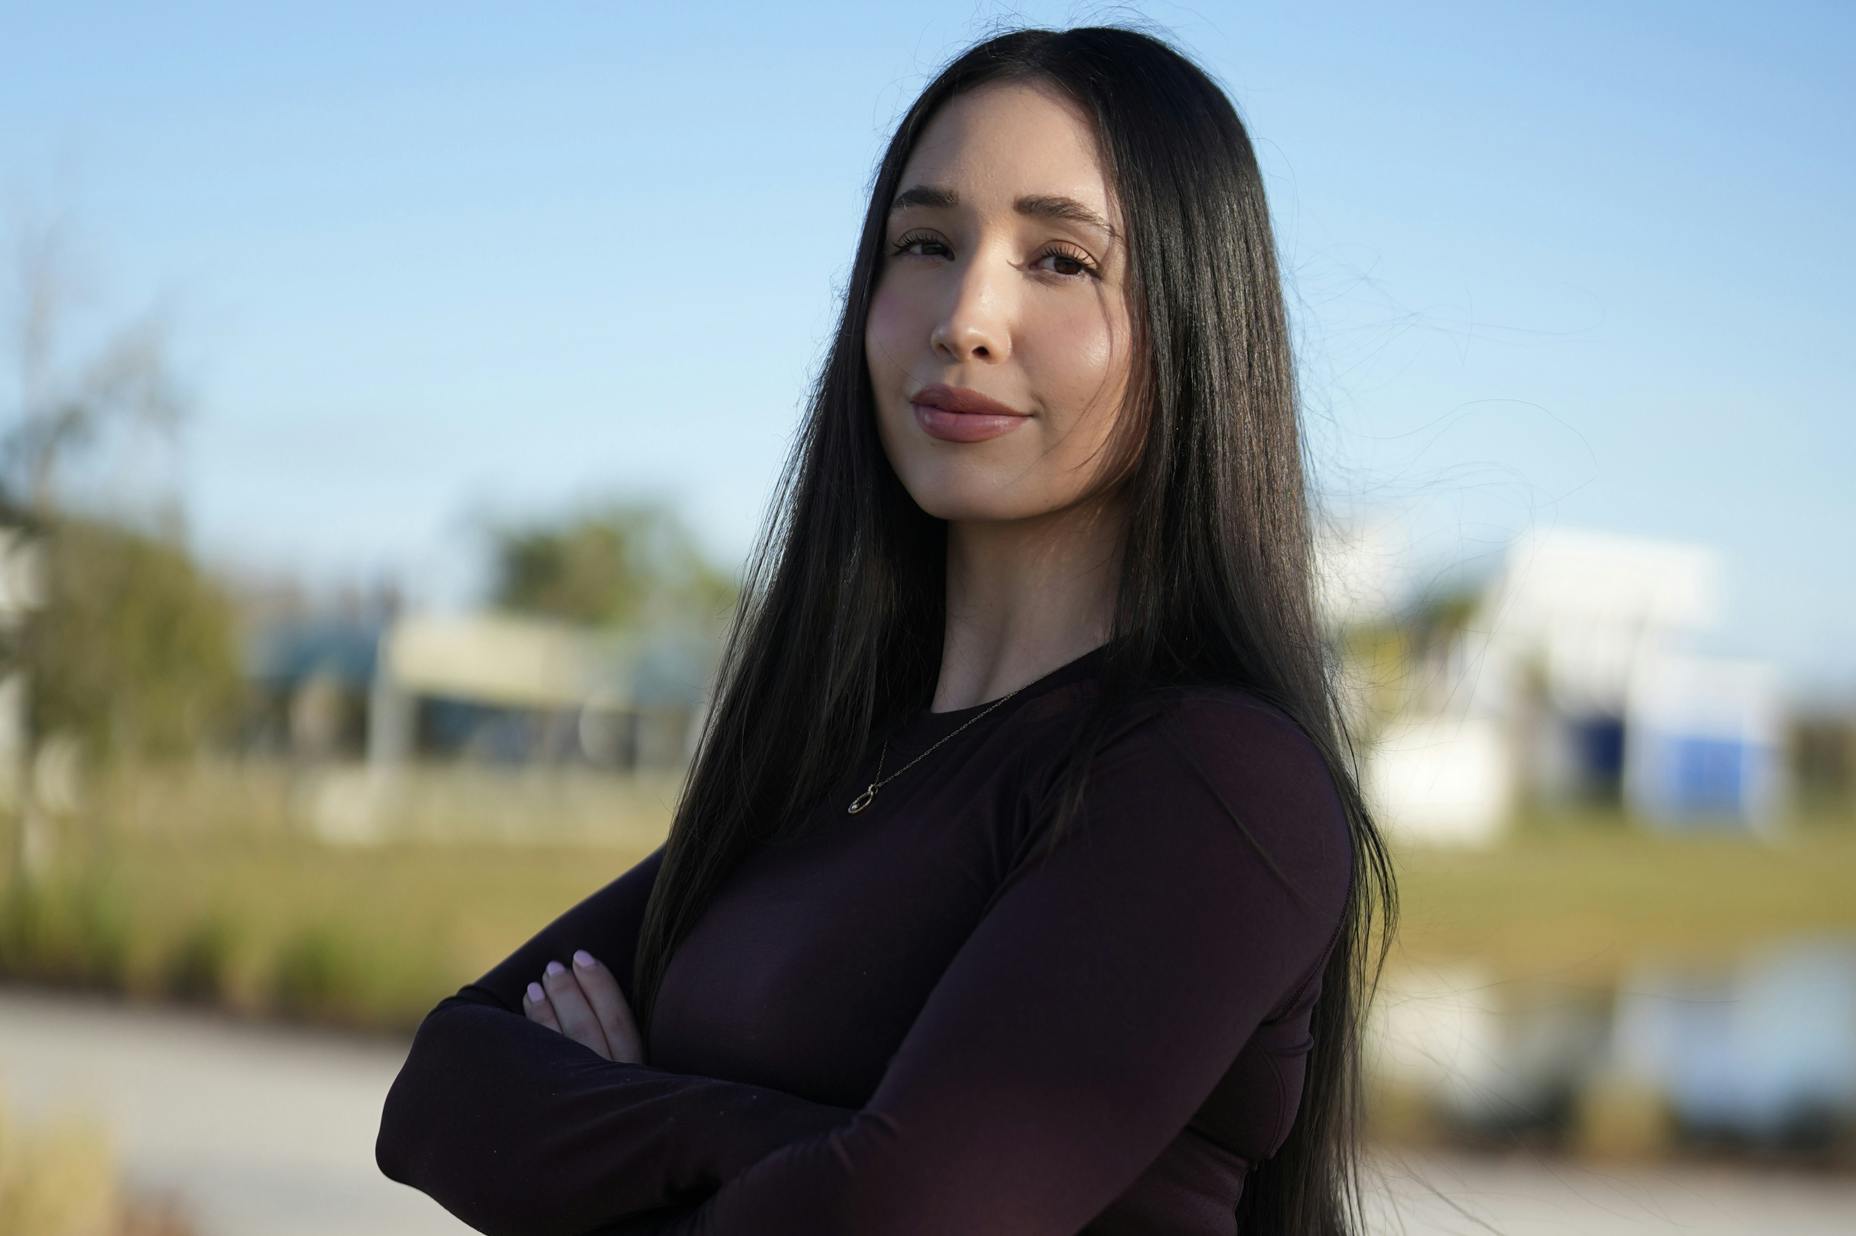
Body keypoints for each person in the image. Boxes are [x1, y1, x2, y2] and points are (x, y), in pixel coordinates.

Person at [376, 23, 1398, 1236]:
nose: (964, 318)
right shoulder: (830, 764)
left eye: (1060, 260)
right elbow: (440, 1093)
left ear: (1196, 326)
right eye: (924, 244)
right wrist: (778, 1143)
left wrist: (612, 1134)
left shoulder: (1213, 779)